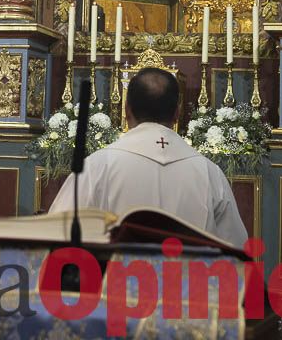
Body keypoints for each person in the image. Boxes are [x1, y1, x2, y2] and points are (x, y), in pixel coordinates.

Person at [48, 68, 248, 248]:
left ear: (127, 111)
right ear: (177, 113)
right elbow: (235, 248)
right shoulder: (209, 173)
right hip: (190, 286)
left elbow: (57, 234)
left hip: (112, 286)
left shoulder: (97, 166)